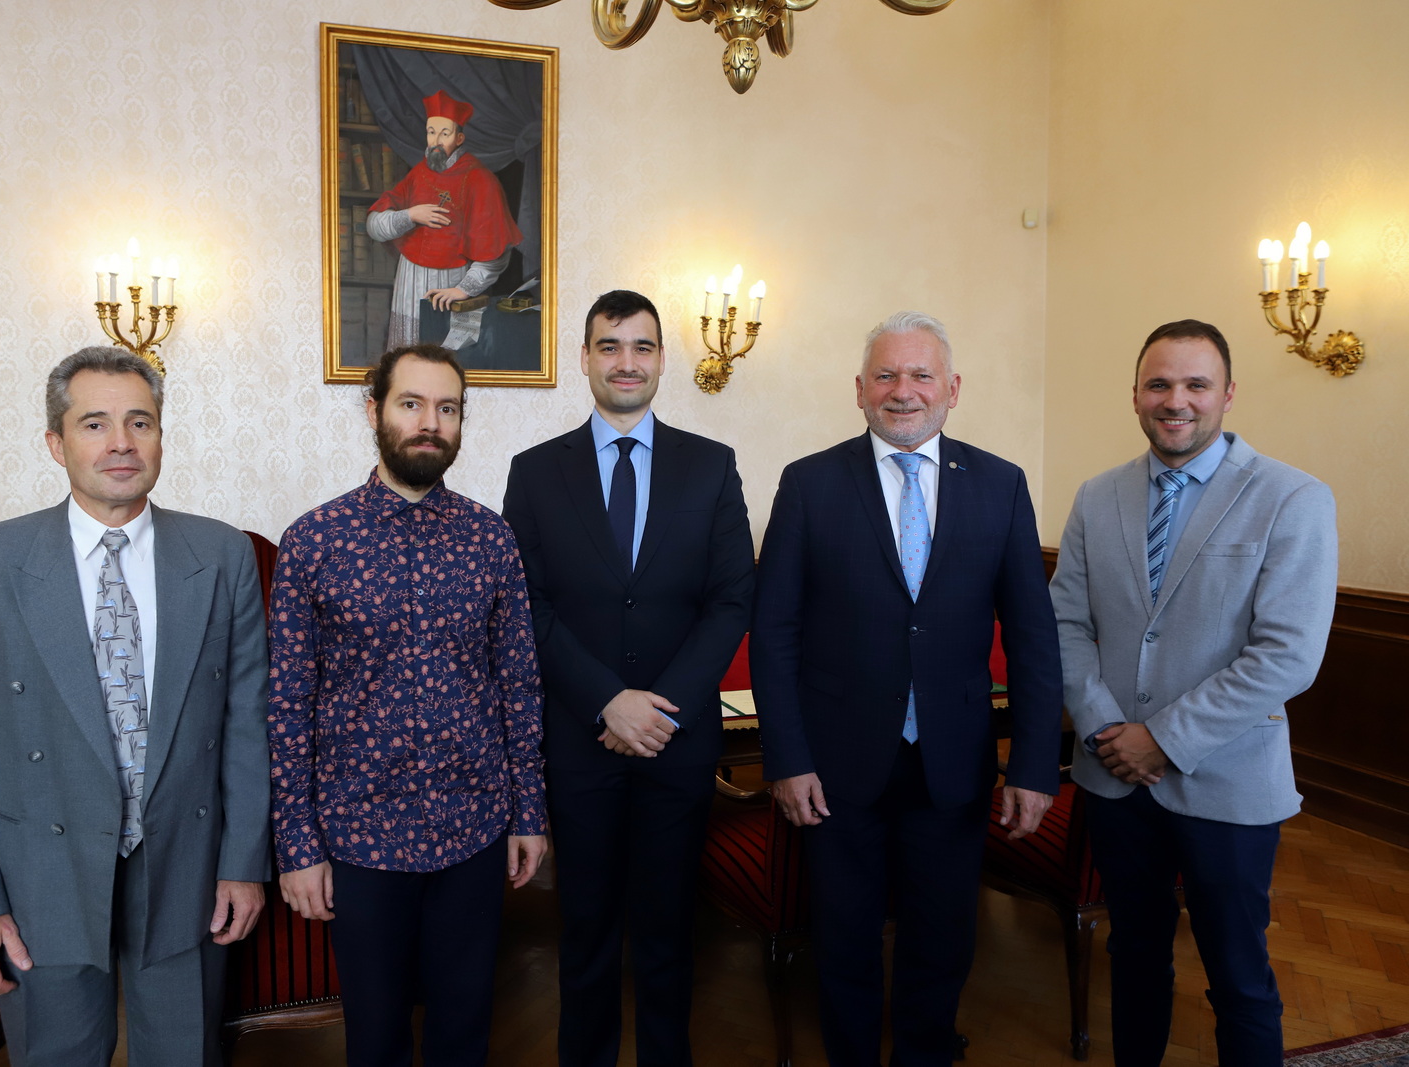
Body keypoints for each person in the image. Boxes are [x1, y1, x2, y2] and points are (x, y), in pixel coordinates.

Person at [0, 347, 270, 1066]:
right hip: (39, 872)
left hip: (185, 864)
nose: (121, 442)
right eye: (95, 423)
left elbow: (246, 722)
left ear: (161, 438)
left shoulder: (222, 554)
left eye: (140, 421)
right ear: (56, 442)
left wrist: (243, 861)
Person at [750, 311, 1064, 1066]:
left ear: (952, 388)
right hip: (837, 768)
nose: (903, 390)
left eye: (921, 374)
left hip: (952, 767)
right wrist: (787, 758)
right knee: (846, 939)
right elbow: (775, 633)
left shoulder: (1000, 484)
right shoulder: (809, 483)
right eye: (886, 374)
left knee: (942, 937)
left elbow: (1031, 636)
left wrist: (1031, 763)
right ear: (859, 390)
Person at [1049, 319, 1337, 1067]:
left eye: (1195, 384)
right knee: (1134, 959)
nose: (1176, 400)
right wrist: (1109, 729)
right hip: (1114, 780)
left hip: (1228, 783)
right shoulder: (1097, 495)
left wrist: (1163, 737)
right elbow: (1066, 624)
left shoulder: (1292, 498)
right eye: (1159, 384)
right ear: (1136, 396)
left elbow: (1288, 654)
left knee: (1240, 980)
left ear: (1228, 394)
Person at [268, 343, 547, 1066]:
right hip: (360, 834)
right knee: (377, 1033)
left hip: (474, 828)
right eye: (412, 403)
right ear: (374, 410)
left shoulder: (492, 538)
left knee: (465, 1026)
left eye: (448, 407)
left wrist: (530, 812)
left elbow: (517, 681)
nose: (432, 422)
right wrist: (298, 843)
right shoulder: (314, 541)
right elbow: (288, 702)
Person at [502, 289, 755, 1066]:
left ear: (661, 361)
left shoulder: (711, 467)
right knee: (585, 934)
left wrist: (661, 709)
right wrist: (607, 699)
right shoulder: (536, 472)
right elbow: (526, 605)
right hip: (581, 742)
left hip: (676, 746)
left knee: (669, 932)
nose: (626, 362)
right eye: (609, 346)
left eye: (641, 347)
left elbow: (732, 596)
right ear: (584, 359)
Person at [367, 90, 524, 350]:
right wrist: (410, 215)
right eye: (431, 132)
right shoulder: (418, 173)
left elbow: (495, 254)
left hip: (451, 286)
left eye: (444, 133)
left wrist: (463, 289)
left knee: (445, 362)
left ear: (459, 138)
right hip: (408, 284)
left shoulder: (480, 180)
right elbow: (374, 226)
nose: (435, 141)